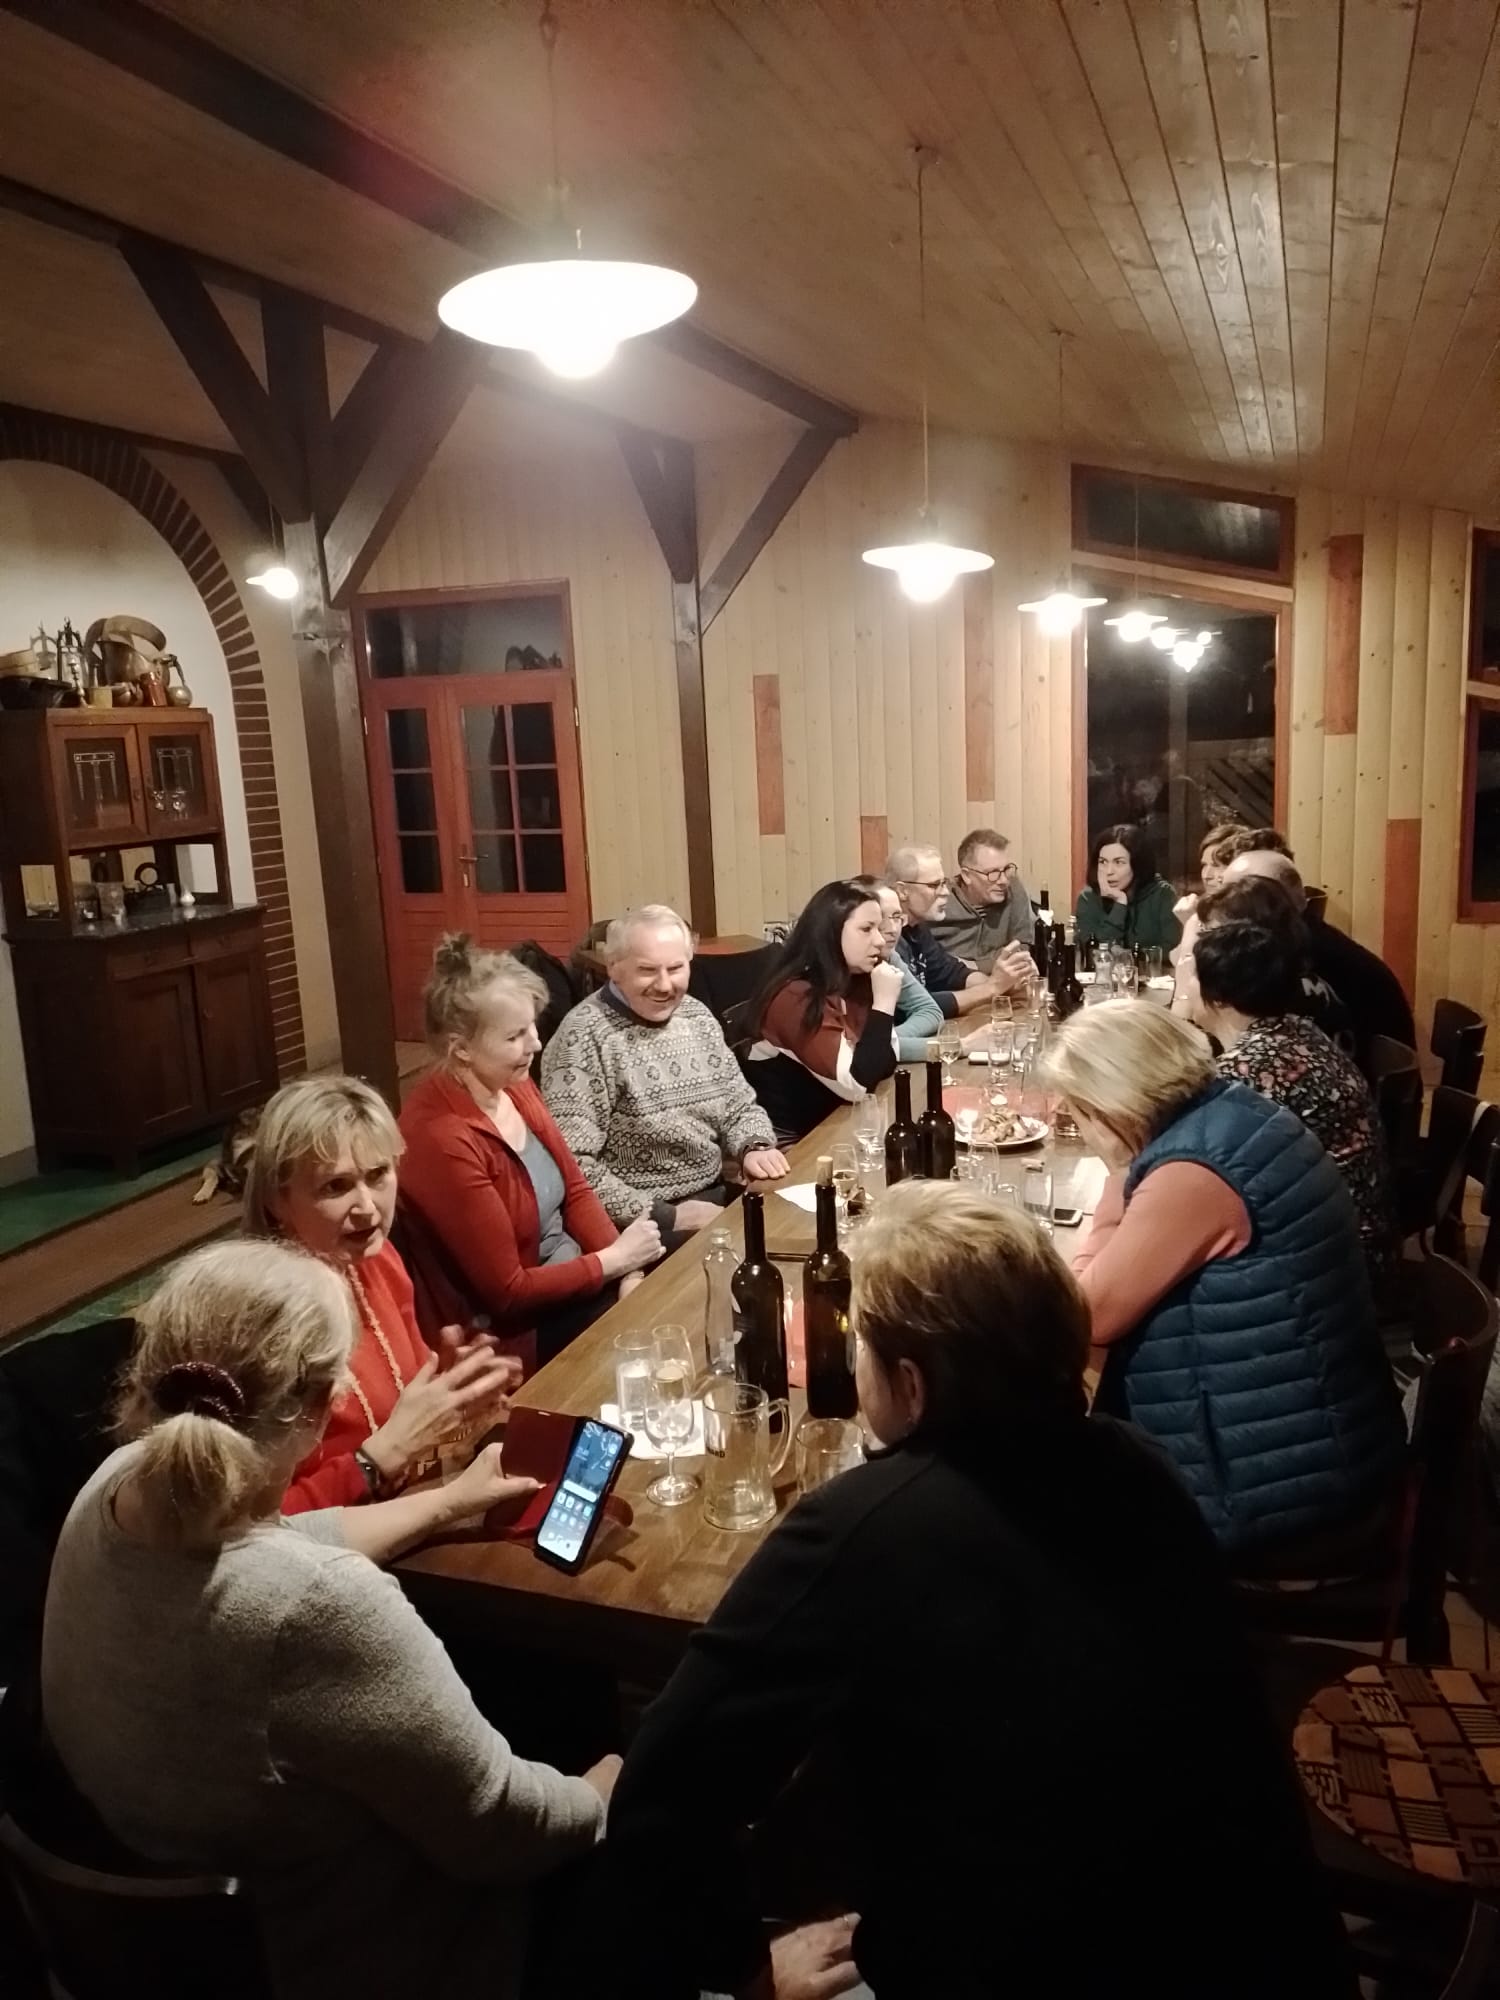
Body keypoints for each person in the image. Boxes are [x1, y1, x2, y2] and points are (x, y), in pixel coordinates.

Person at [605, 1181, 1355, 2000]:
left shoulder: (862, 1527)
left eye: (860, 1341)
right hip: (1253, 1940)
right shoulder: (1136, 1460)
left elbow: (660, 1796)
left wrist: (746, 1972)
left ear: (911, 1384)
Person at [40, 1240, 615, 2000]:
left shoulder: (118, 1481)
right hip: (358, 1953)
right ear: (318, 1412)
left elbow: (272, 1547)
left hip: (153, 1931)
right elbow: (503, 1833)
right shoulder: (320, 1606)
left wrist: (447, 1503)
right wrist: (614, 1777)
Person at [1042, 1001, 1403, 1559]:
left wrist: (1118, 1175)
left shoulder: (1193, 1174)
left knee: (1035, 1504)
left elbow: (1085, 1315)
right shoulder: (1235, 1111)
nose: (1078, 1125)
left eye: (1077, 1111)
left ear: (1112, 1107)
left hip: (1274, 1495)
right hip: (1324, 1444)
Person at [244, 1074, 517, 1542]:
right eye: (336, 1186)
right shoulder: (261, 1323)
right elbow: (248, 1532)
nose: (368, 1208)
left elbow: (403, 1410)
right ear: (277, 1200)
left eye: (377, 1176)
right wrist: (373, 1462)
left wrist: (455, 1394)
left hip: (400, 1517)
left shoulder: (377, 1258)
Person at [398, 936, 663, 1369]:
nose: (535, 1044)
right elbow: (509, 1293)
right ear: (460, 1048)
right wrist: (613, 1262)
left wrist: (628, 1272)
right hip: (512, 1334)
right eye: (515, 1036)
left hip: (576, 1278)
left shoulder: (510, 1082)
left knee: (682, 1276)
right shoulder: (441, 1138)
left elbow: (575, 1188)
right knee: (659, 1329)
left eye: (532, 1027)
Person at [541, 906, 787, 1250]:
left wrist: (753, 1146)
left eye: (675, 968)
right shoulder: (582, 1037)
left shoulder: (696, 1015)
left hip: (714, 1195)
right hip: (640, 1227)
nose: (664, 985)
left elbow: (739, 1105)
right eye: (647, 970)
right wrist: (670, 1216)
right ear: (613, 967)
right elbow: (572, 1167)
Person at [1191, 915, 1393, 1267]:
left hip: (1333, 1260)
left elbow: (1206, 1175)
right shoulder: (1298, 1028)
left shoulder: (1247, 1070)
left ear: (1219, 999)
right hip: (1363, 1234)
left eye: (1193, 977)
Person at [1222, 837, 1417, 1070]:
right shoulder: (1307, 935)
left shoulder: (1302, 954)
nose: (1221, 903)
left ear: (1270, 897)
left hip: (1356, 1084)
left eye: (1234, 892)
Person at [744, 881, 901, 1140]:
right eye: (866, 929)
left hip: (835, 1122)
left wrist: (881, 1007)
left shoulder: (857, 979)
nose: (880, 940)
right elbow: (858, 1085)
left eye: (879, 928)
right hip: (788, 1143)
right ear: (831, 933)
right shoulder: (795, 996)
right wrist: (884, 1004)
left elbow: (887, 1062)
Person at [1176, 873, 1355, 1057]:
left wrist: (1185, 975)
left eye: (1212, 933)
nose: (1204, 942)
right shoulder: (1280, 977)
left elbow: (1182, 1055)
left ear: (1249, 936)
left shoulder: (1273, 992)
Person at [883, 842, 1029, 1015]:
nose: (945, 892)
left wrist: (1007, 982)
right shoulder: (887, 936)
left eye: (944, 883)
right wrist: (992, 988)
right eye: (934, 885)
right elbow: (916, 1006)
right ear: (902, 891)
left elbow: (953, 974)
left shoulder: (917, 927)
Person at [849, 873, 943, 1061]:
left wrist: (886, 1039)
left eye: (897, 917)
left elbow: (930, 1011)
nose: (893, 929)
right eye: (881, 918)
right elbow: (852, 1051)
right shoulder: (835, 968)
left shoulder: (888, 956)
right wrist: (958, 1046)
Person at [926, 825, 1037, 972]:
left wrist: (976, 966)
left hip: (1004, 981)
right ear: (967, 876)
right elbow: (928, 960)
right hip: (953, 982)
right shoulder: (940, 899)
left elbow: (1022, 950)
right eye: (993, 873)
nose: (1003, 880)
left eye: (1006, 869)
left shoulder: (1014, 888)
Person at [1074, 822, 1181, 954]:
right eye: (1103, 862)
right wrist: (1120, 905)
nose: (1109, 871)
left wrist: (1128, 956)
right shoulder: (1088, 898)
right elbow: (1094, 952)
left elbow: (1173, 950)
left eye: (1119, 862)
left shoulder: (1162, 894)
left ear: (1137, 864)